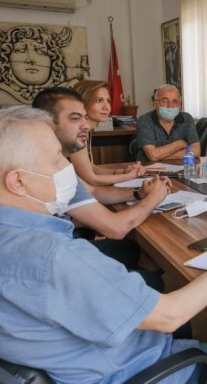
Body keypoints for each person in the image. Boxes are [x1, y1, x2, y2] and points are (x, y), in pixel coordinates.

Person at [0, 106, 207, 383]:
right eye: (56, 159)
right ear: (18, 181)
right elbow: (169, 315)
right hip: (134, 371)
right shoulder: (56, 257)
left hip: (74, 360)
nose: (67, 167)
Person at [33, 87, 169, 290]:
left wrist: (139, 193)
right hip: (54, 263)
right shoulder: (45, 167)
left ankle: (126, 291)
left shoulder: (59, 161)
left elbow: (93, 191)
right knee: (153, 281)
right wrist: (153, 199)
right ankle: (124, 292)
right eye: (75, 118)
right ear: (46, 125)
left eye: (84, 118)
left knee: (139, 250)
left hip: (63, 246)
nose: (85, 125)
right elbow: (116, 228)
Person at [67, 80, 146, 186]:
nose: (106, 107)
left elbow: (92, 168)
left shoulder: (86, 131)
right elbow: (91, 179)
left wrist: (123, 172)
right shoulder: (77, 133)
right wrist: (130, 176)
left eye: (108, 101)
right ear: (83, 103)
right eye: (99, 101)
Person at [136, 84, 200, 162]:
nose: (170, 106)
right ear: (155, 104)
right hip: (148, 167)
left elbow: (196, 151)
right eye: (165, 101)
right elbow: (153, 155)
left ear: (180, 105)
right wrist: (179, 144)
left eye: (175, 101)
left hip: (178, 166)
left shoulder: (186, 118)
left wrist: (162, 157)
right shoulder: (144, 120)